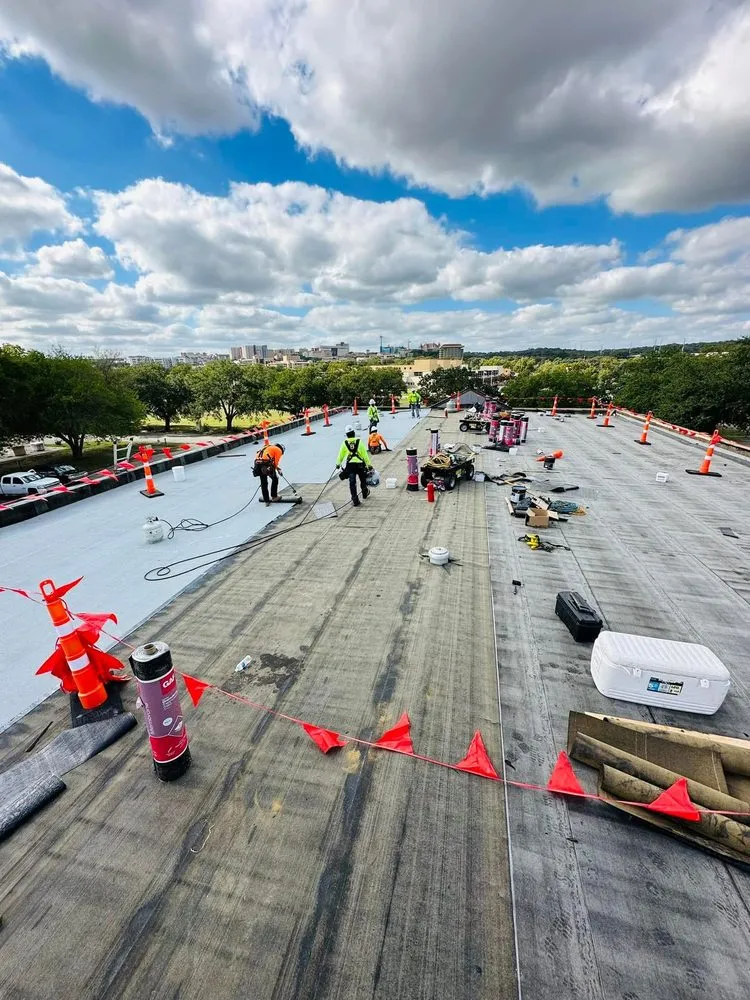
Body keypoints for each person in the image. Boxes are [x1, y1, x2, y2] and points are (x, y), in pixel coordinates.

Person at [336, 425, 373, 507]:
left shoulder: (344, 443)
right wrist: (369, 465)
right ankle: (364, 493)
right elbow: (364, 454)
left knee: (352, 483)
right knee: (363, 480)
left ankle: (355, 500)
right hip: (360, 464)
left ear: (347, 434)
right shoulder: (359, 442)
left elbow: (340, 455)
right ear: (354, 433)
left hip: (351, 466)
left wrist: (338, 464)